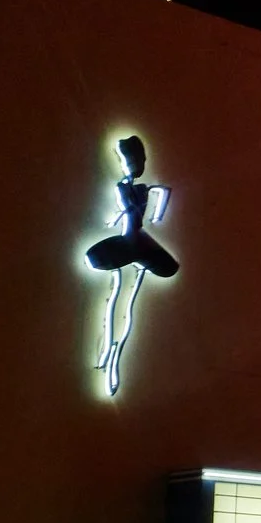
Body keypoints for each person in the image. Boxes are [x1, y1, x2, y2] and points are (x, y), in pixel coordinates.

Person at [83, 134, 179, 395]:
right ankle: (108, 355)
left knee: (126, 298)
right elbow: (130, 207)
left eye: (134, 160)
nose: (131, 165)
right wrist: (118, 219)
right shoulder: (125, 187)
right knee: (119, 295)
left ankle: (112, 357)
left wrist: (156, 214)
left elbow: (162, 192)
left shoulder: (138, 188)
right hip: (131, 241)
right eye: (129, 160)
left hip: (138, 241)